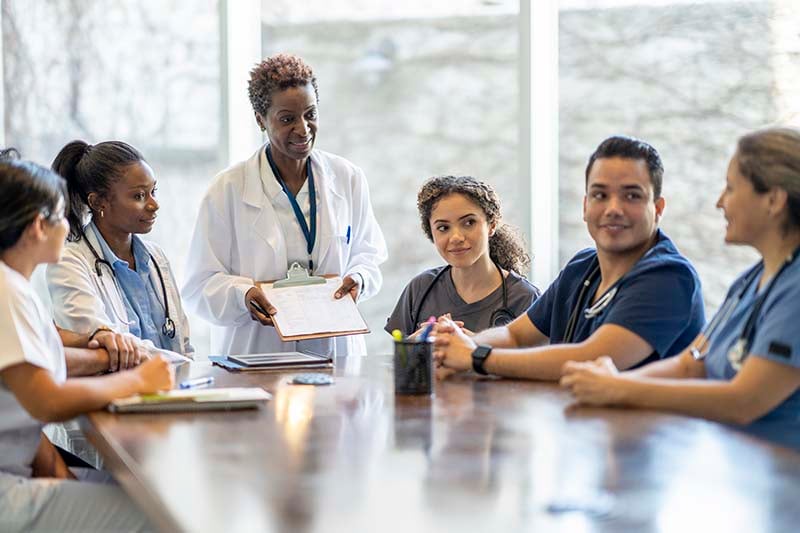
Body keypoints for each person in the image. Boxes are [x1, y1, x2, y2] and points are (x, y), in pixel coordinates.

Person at [560, 127, 800, 430]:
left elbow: (744, 401)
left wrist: (619, 389)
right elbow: (690, 364)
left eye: (731, 188)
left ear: (774, 200)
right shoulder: (750, 281)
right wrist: (609, 383)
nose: (719, 202)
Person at [434, 135, 705, 381]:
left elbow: (592, 357)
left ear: (657, 208)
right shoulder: (582, 267)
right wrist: (456, 345)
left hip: (643, 434)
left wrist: (475, 356)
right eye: (600, 195)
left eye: (631, 196)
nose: (613, 209)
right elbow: (515, 335)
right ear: (586, 206)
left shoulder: (669, 277)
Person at [0, 158, 172, 532]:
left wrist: (104, 352)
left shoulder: (11, 285)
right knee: (160, 516)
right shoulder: (5, 290)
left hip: (16, 472)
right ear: (36, 228)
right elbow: (46, 399)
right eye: (62, 217)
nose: (68, 227)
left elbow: (42, 359)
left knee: (151, 493)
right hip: (7, 492)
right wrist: (140, 381)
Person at [183, 53, 387, 356]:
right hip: (259, 350)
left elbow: (369, 256)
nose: (303, 129)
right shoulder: (227, 189)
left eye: (311, 114)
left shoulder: (347, 178)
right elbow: (199, 285)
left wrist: (358, 279)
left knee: (337, 403)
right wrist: (244, 295)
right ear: (260, 120)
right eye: (287, 119)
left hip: (334, 347)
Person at [46, 140, 193, 366]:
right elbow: (110, 345)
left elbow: (183, 343)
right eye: (139, 196)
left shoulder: (156, 258)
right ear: (98, 202)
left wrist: (190, 375)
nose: (154, 204)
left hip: (172, 389)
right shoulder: (69, 262)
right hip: (116, 392)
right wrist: (182, 365)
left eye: (153, 191)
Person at [386, 175, 539, 336]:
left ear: (491, 225)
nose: (456, 237)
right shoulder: (420, 288)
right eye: (443, 228)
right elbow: (399, 357)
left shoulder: (525, 298)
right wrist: (417, 344)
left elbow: (544, 360)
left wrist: (477, 346)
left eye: (469, 223)